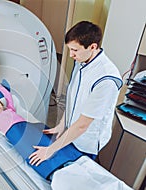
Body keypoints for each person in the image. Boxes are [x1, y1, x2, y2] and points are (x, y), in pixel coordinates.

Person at [29, 21, 123, 166]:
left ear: (93, 47)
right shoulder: (82, 61)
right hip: (72, 130)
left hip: (86, 139)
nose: (71, 55)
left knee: (73, 173)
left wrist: (50, 150)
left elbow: (83, 125)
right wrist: (62, 124)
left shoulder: (106, 80)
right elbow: (73, 98)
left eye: (75, 50)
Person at [0, 81, 83, 180]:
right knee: (32, 151)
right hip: (16, 134)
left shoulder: (10, 109)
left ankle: (65, 160)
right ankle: (53, 171)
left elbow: (8, 97)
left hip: (27, 127)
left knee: (45, 140)